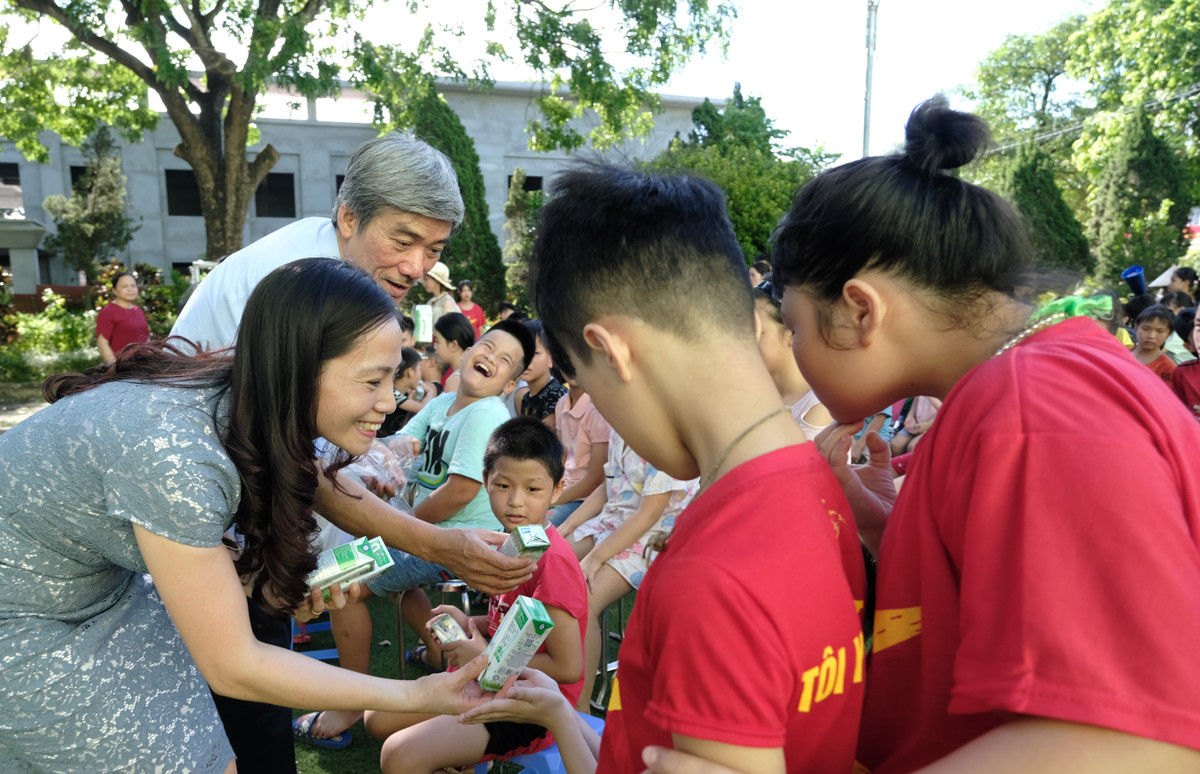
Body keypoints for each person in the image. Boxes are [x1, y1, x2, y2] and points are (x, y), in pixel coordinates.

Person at [763, 97, 1200, 773]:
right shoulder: (1013, 393)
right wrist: (894, 531)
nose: (793, 354)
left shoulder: (1031, 410)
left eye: (792, 327)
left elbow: (1131, 744)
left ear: (858, 309)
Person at [0, 259, 498, 772]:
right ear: (299, 368)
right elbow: (234, 665)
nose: (389, 401)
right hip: (21, 617)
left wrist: (437, 544)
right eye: (372, 380)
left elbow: (319, 479)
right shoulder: (176, 458)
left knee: (213, 756)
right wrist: (423, 697)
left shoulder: (260, 395)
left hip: (103, 588)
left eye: (392, 376)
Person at [465, 164, 868, 772]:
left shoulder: (710, 575)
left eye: (589, 382)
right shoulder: (824, 488)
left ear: (612, 350)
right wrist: (563, 715)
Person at [367, 417, 588, 773]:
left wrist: (484, 654)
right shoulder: (509, 541)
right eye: (503, 485)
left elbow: (567, 667)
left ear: (557, 490)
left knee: (399, 755)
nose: (515, 502)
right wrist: (470, 622)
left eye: (533, 489)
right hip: (488, 681)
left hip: (529, 707)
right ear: (486, 481)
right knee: (376, 718)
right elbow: (514, 622)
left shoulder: (554, 562)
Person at [362, 320, 536, 672]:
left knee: (351, 588)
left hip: (463, 539)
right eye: (487, 346)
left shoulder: (485, 413)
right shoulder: (441, 403)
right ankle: (443, 652)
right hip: (437, 530)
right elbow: (396, 448)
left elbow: (460, 492)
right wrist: (394, 458)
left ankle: (348, 703)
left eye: (504, 359)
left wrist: (403, 528)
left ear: (510, 384)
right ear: (468, 351)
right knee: (391, 580)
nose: (490, 357)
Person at [558, 428, 697, 712]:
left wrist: (595, 558)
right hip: (613, 522)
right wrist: (566, 528)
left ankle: (578, 709)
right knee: (549, 563)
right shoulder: (619, 427)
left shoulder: (663, 439)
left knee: (583, 600)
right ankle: (546, 680)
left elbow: (649, 514)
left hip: (653, 539)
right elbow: (607, 488)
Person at [753, 281, 833, 440]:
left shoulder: (819, 406)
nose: (745, 340)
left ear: (791, 332)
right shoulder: (756, 393)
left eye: (756, 330)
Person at [514, 319, 568, 427]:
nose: (526, 359)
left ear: (551, 358)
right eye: (521, 351)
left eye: (534, 353)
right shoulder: (526, 398)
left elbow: (541, 442)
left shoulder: (556, 396)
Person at [96, 271, 150, 363]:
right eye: (124, 286)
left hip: (143, 367)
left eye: (133, 286)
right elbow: (102, 343)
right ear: (114, 290)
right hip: (122, 369)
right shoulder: (108, 311)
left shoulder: (138, 311)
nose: (130, 289)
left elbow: (146, 338)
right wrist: (114, 366)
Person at [1133, 304, 1177, 385]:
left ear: (1169, 334)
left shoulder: (1168, 367)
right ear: (1136, 327)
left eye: (1160, 331)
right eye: (1146, 329)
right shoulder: (1120, 354)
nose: (1151, 336)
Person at [433, 311, 476, 393]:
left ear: (453, 345)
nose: (434, 346)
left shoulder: (456, 381)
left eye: (437, 341)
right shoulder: (472, 374)